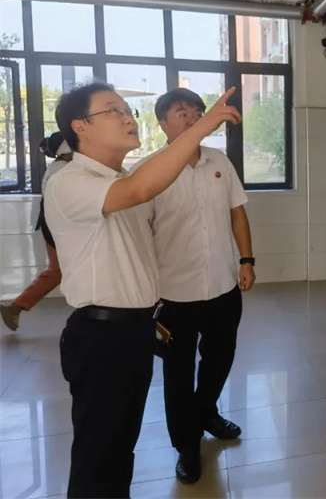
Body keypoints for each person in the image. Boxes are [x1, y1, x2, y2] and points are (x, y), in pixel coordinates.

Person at [45, 82, 239, 499]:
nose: (127, 117)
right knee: (99, 457)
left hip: (134, 329)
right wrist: (201, 127)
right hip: (101, 337)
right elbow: (139, 191)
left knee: (118, 451)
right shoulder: (70, 181)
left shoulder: (121, 177)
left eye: (127, 109)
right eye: (112, 110)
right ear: (80, 126)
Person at [134, 88, 255, 484]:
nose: (190, 118)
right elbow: (140, 235)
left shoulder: (219, 161)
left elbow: (237, 213)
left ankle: (205, 412)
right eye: (180, 112)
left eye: (196, 112)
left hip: (223, 283)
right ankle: (186, 444)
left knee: (221, 357)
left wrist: (247, 260)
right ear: (163, 124)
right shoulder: (151, 170)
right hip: (174, 292)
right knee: (178, 373)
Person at [1, 132, 71, 331]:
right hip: (57, 230)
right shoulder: (63, 170)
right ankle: (16, 307)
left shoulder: (58, 167)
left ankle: (16, 307)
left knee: (57, 271)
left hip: (54, 228)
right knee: (57, 271)